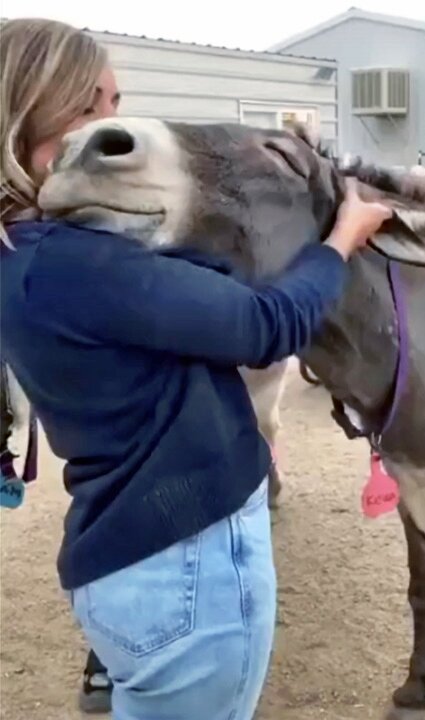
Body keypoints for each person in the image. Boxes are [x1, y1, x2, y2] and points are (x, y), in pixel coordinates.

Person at [0, 18, 392, 720]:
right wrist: (340, 241)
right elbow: (264, 328)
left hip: (128, 558)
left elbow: (180, 285)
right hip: (184, 567)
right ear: (28, 107)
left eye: (114, 103)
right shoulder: (76, 264)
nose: (110, 124)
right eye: (86, 104)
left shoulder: (28, 252)